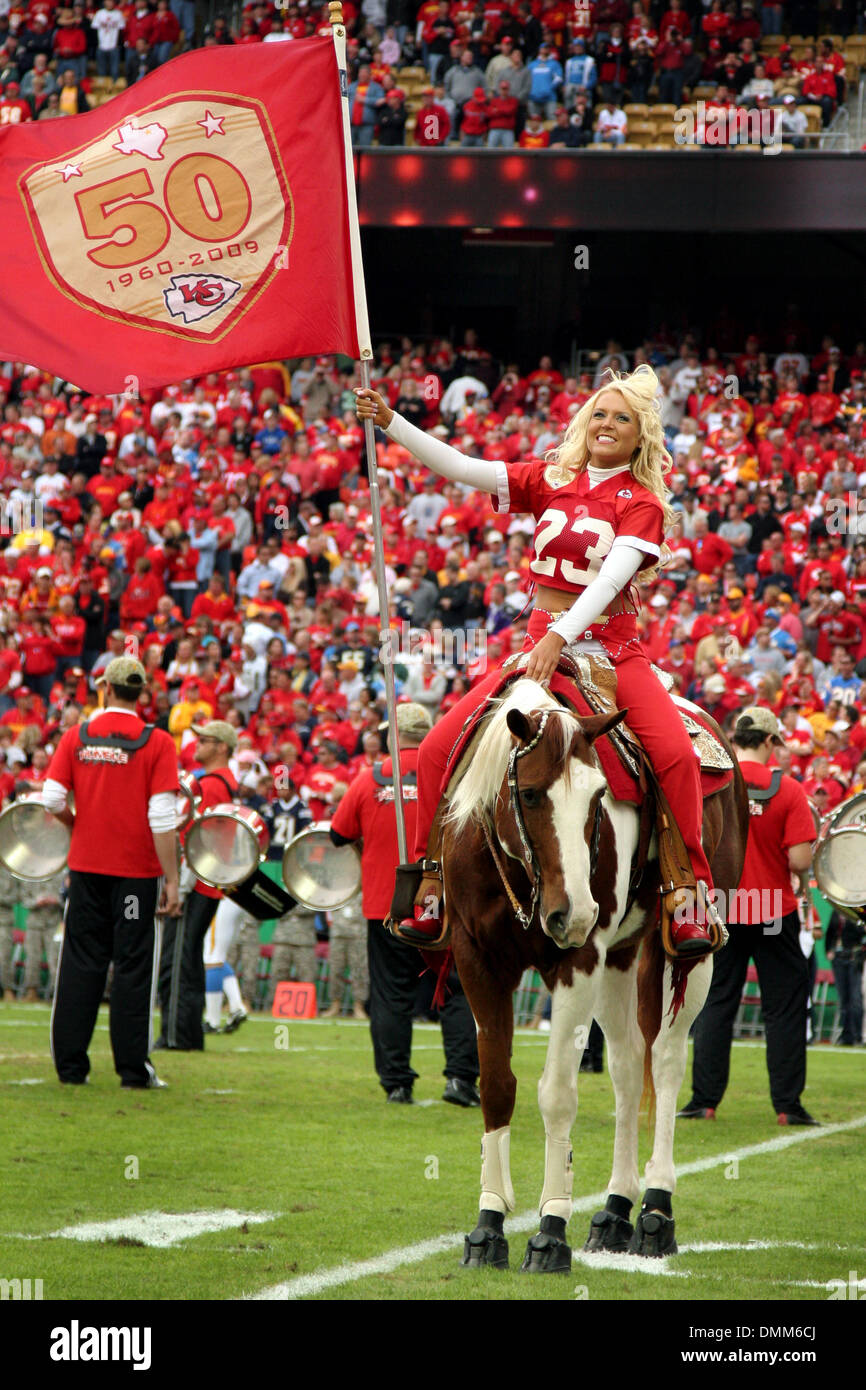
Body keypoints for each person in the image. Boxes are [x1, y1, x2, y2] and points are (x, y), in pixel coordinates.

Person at [354, 364, 718, 957]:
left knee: (676, 754)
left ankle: (687, 893)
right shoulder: (552, 478)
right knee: (438, 747)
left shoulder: (642, 502)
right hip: (540, 645)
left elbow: (608, 583)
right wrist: (392, 422)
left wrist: (561, 637)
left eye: (622, 418)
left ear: (640, 436)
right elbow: (464, 469)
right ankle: (432, 882)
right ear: (585, 420)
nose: (607, 423)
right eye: (599, 412)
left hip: (610, 650)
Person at [330, 701, 480, 1106]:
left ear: (391, 736)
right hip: (443, 902)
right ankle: (461, 1080)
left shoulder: (367, 779)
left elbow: (338, 835)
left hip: (386, 905)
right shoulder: (452, 775)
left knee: (390, 996)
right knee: (456, 991)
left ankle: (397, 1083)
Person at [43, 656, 179, 1088]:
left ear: (105, 687)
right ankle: (132, 1069)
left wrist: (76, 822)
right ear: (142, 694)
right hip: (135, 877)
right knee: (133, 964)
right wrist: (172, 878)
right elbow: (161, 817)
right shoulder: (157, 742)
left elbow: (50, 798)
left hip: (86, 870)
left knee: (82, 961)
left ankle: (70, 1067)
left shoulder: (77, 735)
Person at [679, 707, 820, 1125]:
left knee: (716, 1003)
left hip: (721, 908)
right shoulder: (789, 789)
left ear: (734, 739)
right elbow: (798, 860)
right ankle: (787, 1105)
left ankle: (703, 1100)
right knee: (785, 1008)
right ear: (770, 741)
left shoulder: (710, 782)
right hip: (773, 910)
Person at [155, 719, 238, 1051]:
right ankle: (187, 1035)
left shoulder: (213, 784)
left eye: (204, 740)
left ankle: (177, 1035)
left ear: (221, 746)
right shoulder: (220, 781)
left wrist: (180, 886)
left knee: (176, 963)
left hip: (196, 883)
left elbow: (198, 839)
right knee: (186, 960)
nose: (196, 744)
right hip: (203, 882)